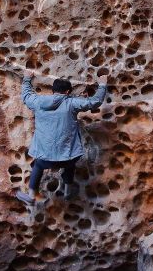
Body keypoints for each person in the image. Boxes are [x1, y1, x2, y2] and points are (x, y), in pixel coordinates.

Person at [17, 71, 108, 205]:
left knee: (37, 165)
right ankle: (68, 191)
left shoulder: (38, 101)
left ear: (53, 90)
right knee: (70, 165)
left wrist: (26, 79)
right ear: (67, 92)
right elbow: (95, 101)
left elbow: (26, 96)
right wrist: (102, 84)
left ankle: (31, 195)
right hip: (67, 158)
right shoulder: (72, 103)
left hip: (45, 158)